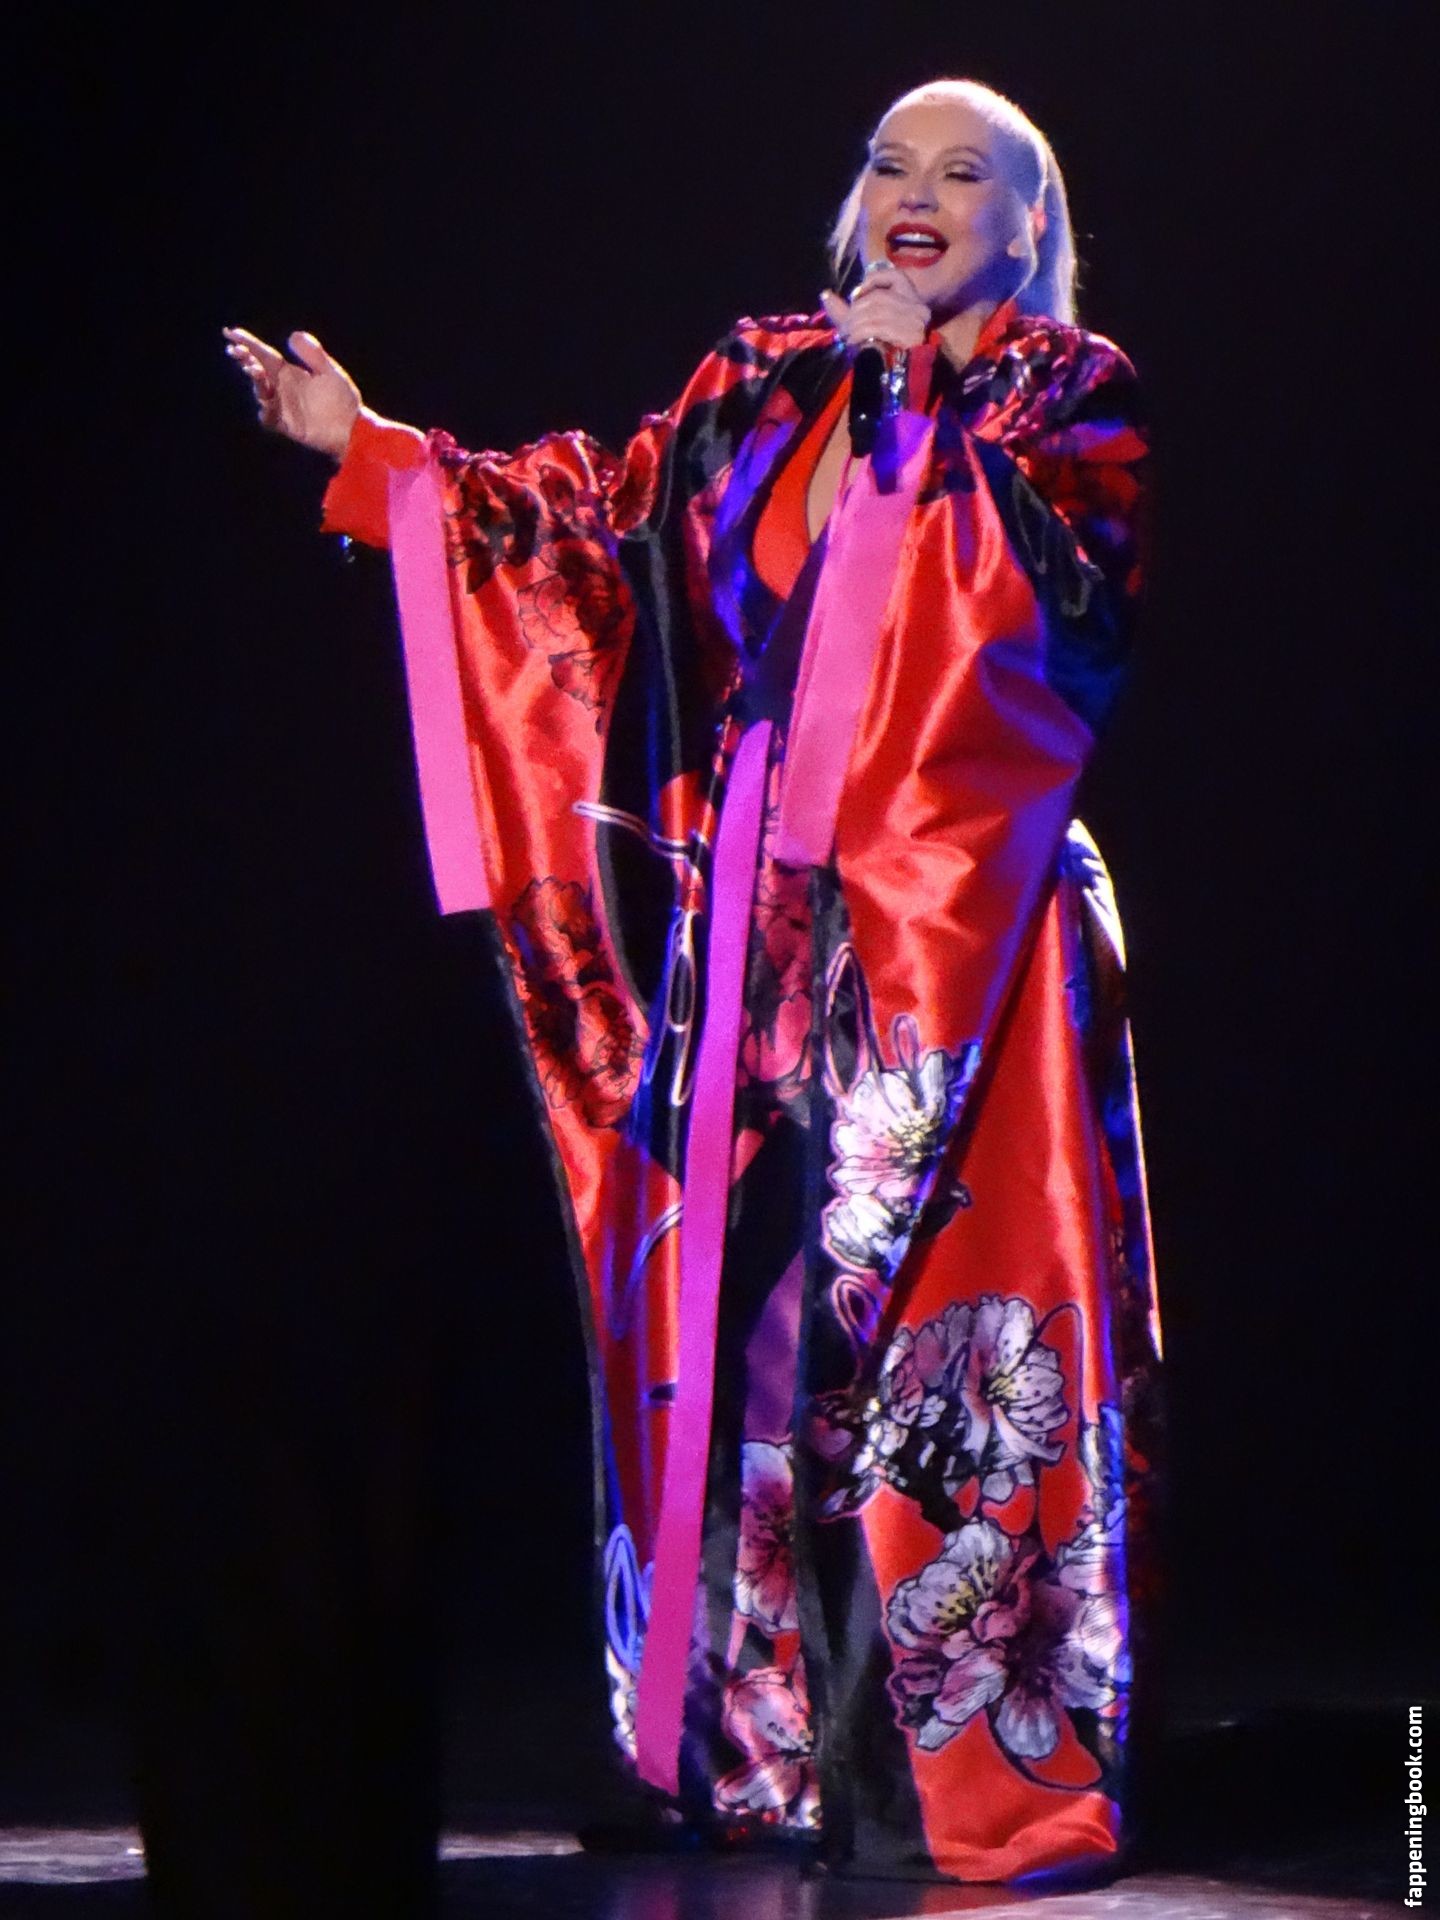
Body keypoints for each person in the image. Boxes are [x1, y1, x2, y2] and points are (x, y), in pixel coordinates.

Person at [224, 77, 1163, 1887]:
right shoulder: (761, 376)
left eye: (966, 172)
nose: (916, 191)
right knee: (744, 1330)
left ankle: (974, 1777)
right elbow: (593, 528)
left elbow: (1057, 621)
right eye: (890, 161)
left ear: (1027, 229)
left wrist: (917, 398)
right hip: (757, 935)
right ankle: (767, 1750)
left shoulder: (1066, 397)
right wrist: (382, 458)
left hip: (961, 939)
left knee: (945, 1342)